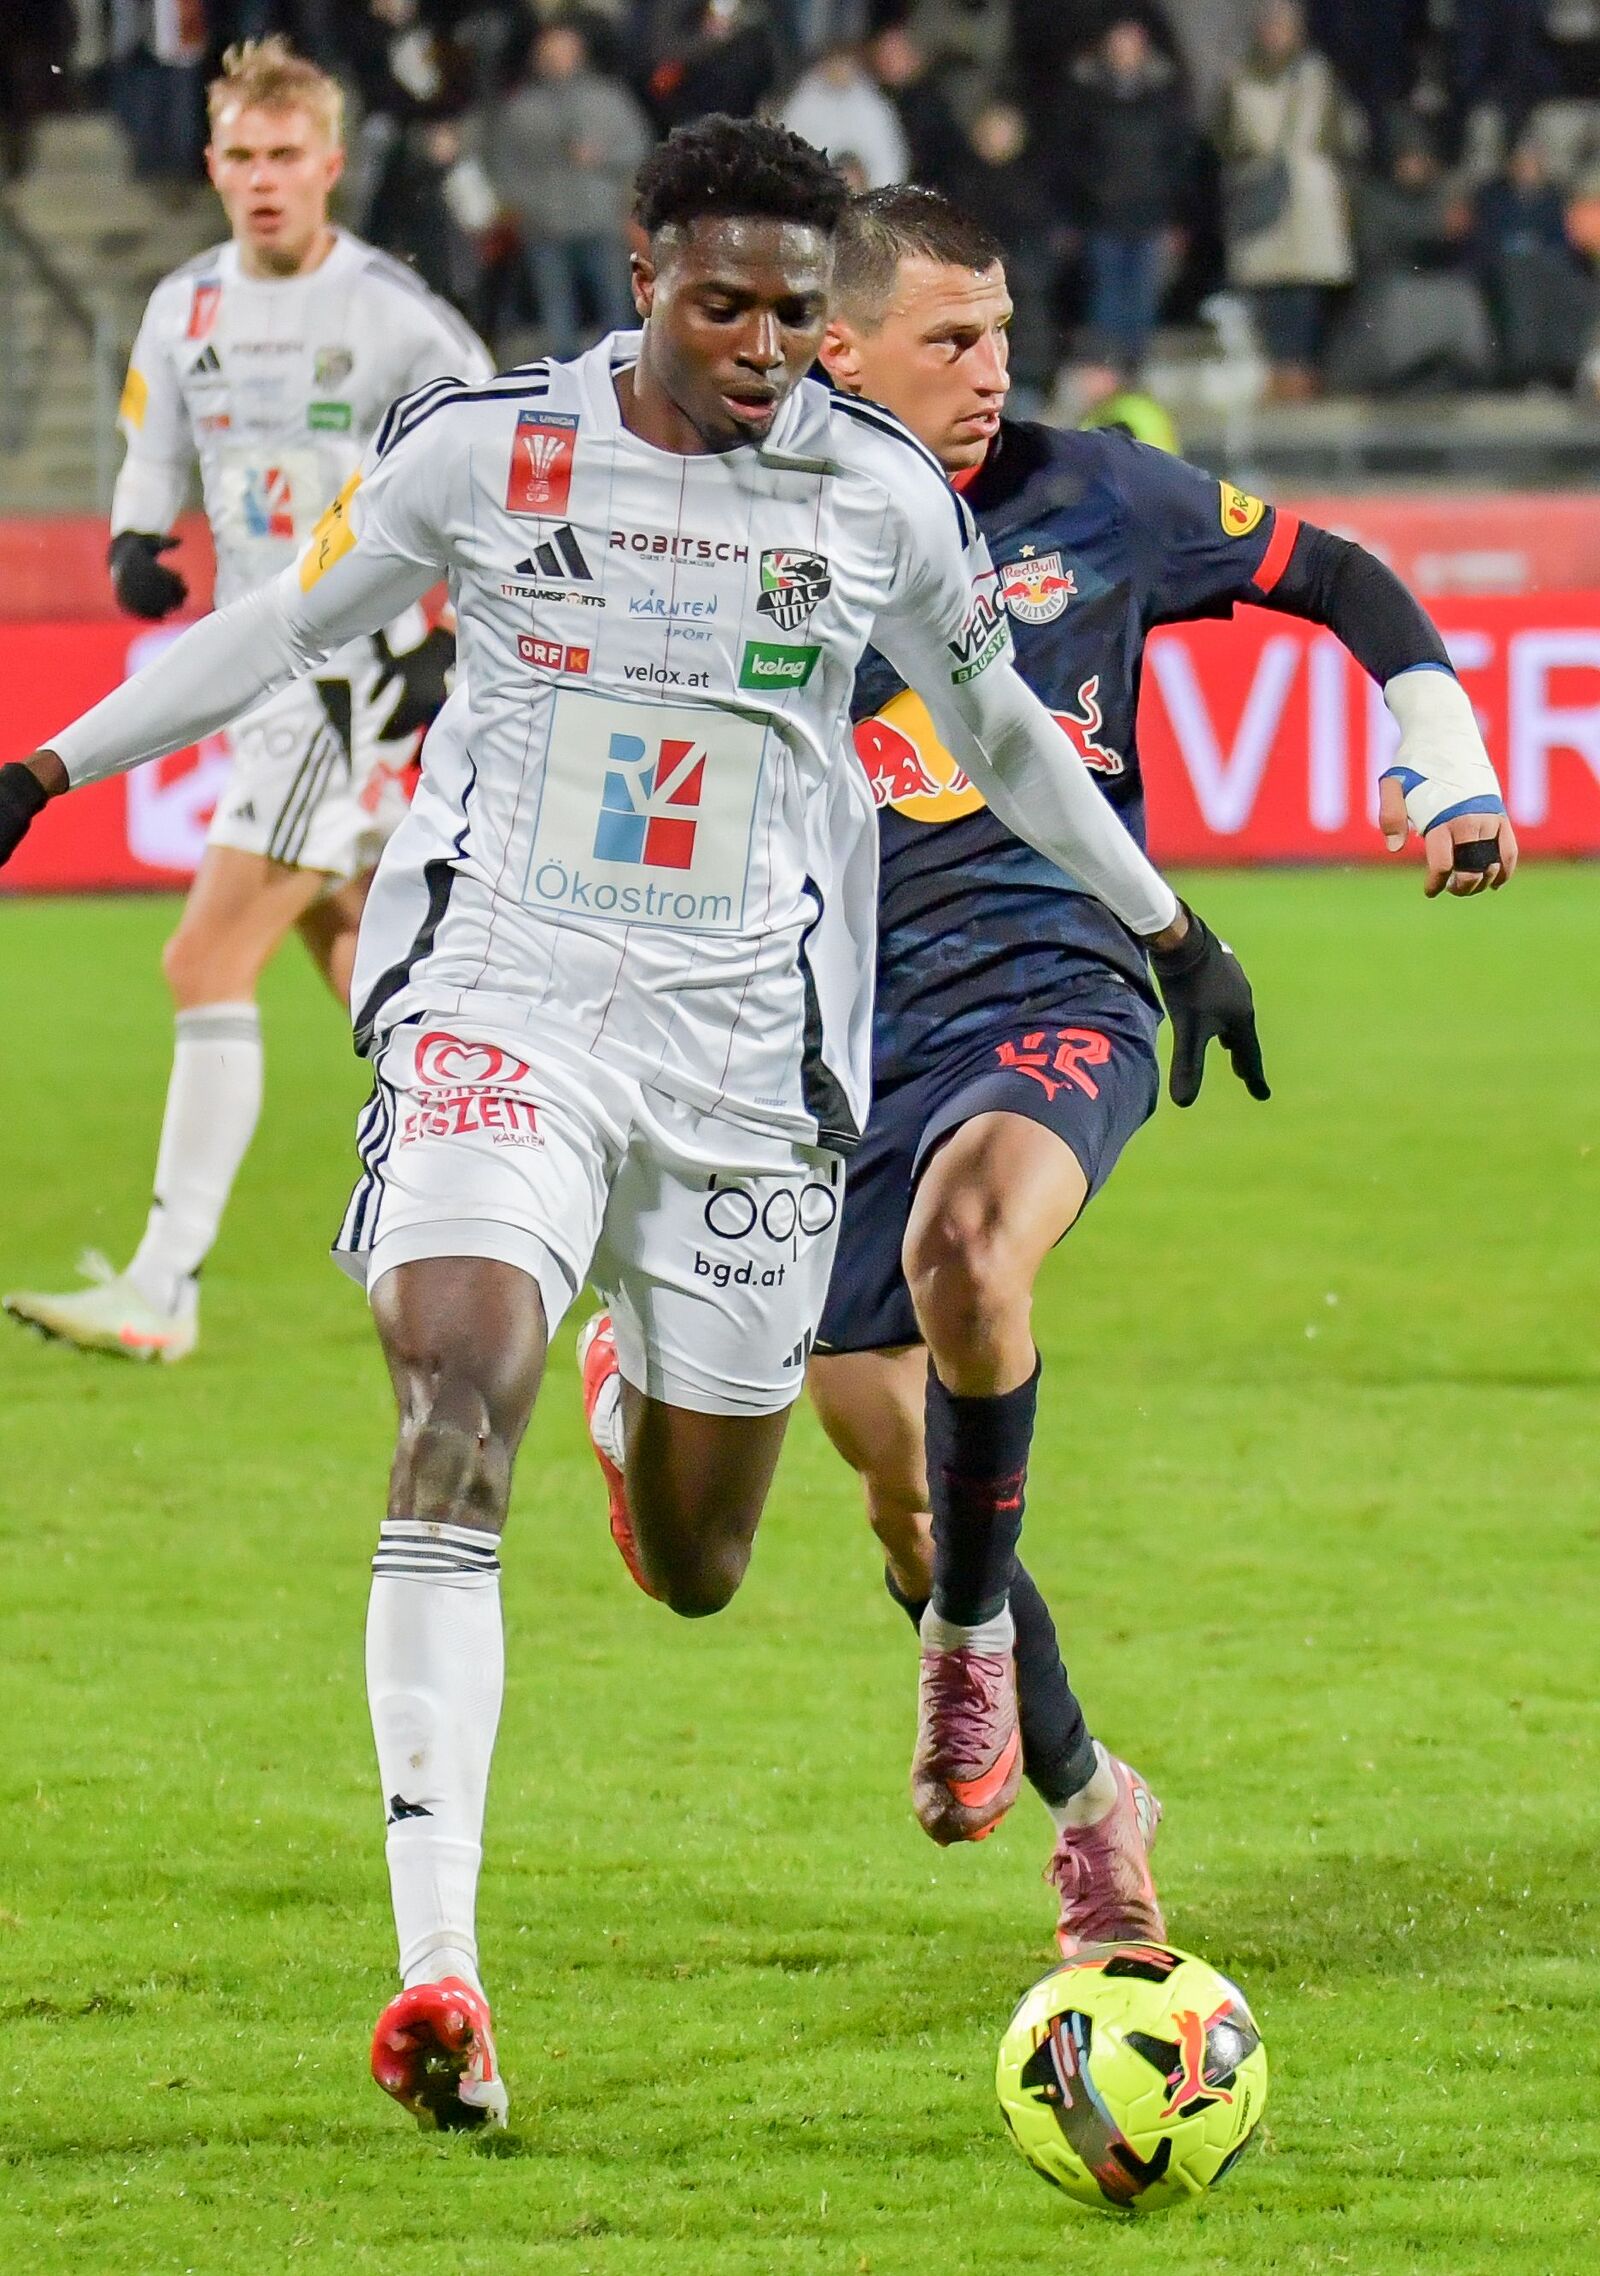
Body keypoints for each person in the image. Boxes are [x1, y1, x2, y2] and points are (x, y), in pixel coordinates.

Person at [0, 116, 1279, 2134]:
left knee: (700, 1561)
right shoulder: (487, 450)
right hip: (503, 997)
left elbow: (1006, 734)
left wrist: (1167, 927)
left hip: (746, 1060)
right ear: (639, 276)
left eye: (792, 310)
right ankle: (440, 1975)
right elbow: (284, 629)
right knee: (451, 1402)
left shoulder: (875, 495)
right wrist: (46, 767)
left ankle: (636, 1416)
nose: (762, 345)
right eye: (723, 304)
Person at [790, 184, 1511, 1938]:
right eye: (951, 339)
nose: (992, 370)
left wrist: (1442, 749)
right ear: (841, 351)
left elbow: (1337, 572)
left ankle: (965, 1645)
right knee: (896, 1485)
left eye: (1002, 332)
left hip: (1063, 974)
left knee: (976, 1250)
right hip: (830, 1036)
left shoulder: (1093, 493)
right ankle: (1094, 1801)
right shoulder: (756, 517)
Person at [3, 38, 492, 1364]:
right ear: (212, 165)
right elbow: (152, 439)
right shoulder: (185, 306)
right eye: (243, 156)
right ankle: (505, 1215)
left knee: (202, 957)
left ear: (330, 165)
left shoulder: (393, 314)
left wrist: (450, 629)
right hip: (260, 664)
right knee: (365, 965)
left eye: (287, 155)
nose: (265, 178)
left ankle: (164, 1285)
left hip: (347, 676)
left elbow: (495, 463)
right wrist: (135, 533)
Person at [485, 17, 652, 360]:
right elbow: (504, 164)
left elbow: (637, 148)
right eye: (551, 51)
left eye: (565, 50)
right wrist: (527, 206)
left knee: (617, 320)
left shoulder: (608, 99)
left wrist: (602, 158)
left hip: (600, 223)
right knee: (558, 326)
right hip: (546, 229)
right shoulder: (522, 109)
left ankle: (622, 380)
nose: (558, 59)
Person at [1220, 0, 1354, 400]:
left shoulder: (1317, 75)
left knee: (1305, 288)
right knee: (1268, 289)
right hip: (1260, 190)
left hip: (1309, 193)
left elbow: (1338, 135)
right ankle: (1277, 370)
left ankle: (1300, 371)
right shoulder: (1237, 78)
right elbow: (1224, 137)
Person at [1058, 14, 1195, 374]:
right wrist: (1088, 199)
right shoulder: (1088, 97)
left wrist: (1176, 215)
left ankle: (1134, 371)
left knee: (1142, 300)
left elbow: (1177, 160)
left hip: (1150, 216)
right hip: (1103, 217)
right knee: (1106, 298)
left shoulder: (1162, 97)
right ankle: (1107, 371)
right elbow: (1073, 158)